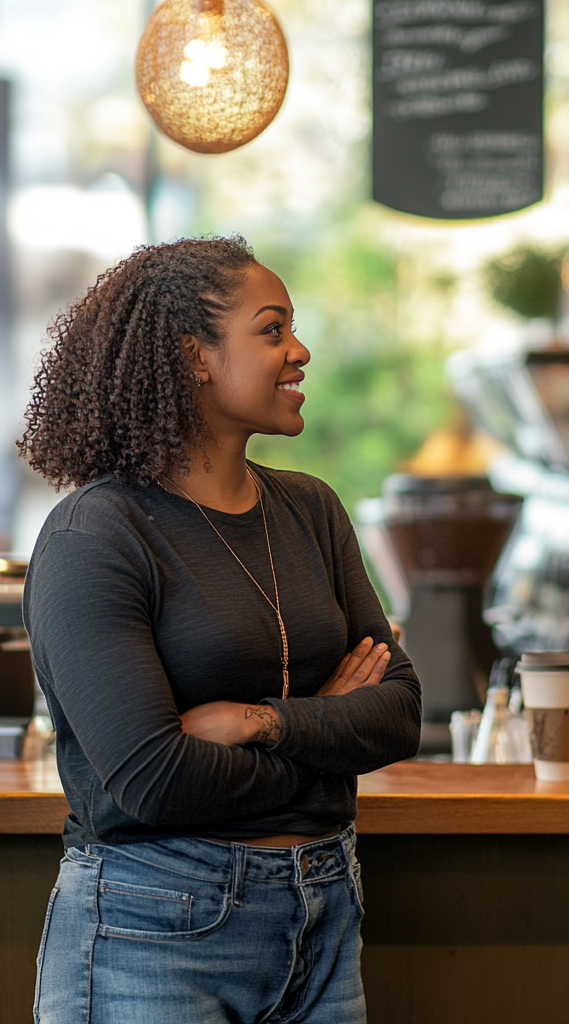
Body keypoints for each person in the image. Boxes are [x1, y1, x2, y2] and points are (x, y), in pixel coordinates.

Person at [20, 236, 421, 1024]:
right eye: (272, 330)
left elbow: (399, 709)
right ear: (192, 356)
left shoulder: (310, 508)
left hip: (325, 912)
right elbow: (153, 780)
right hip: (152, 923)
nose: (299, 350)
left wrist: (261, 723)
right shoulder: (95, 536)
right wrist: (328, 748)